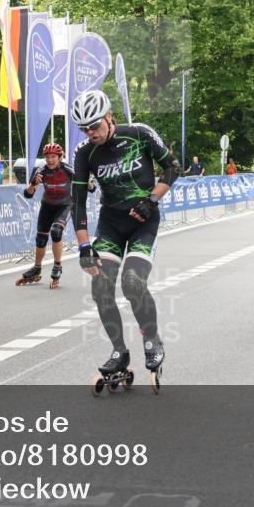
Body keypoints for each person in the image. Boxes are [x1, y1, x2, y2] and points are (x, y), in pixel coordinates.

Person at [70, 90, 180, 387]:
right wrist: (83, 246)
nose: (90, 133)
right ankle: (119, 352)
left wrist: (152, 199)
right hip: (111, 224)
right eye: (84, 129)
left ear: (109, 117)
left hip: (143, 220)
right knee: (101, 286)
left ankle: (152, 339)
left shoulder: (139, 134)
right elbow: (78, 202)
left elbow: (173, 167)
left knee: (132, 282)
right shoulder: (84, 153)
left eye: (95, 126)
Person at [17, 143, 93, 288]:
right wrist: (33, 184)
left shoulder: (67, 169)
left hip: (64, 205)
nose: (50, 160)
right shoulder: (42, 170)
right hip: (47, 205)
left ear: (60, 157)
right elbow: (28, 194)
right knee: (41, 238)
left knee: (56, 232)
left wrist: (89, 185)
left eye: (53, 157)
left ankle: (57, 266)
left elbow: (87, 185)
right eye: (47, 157)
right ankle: (37, 267)